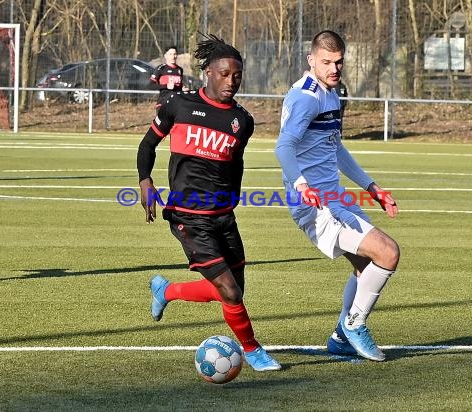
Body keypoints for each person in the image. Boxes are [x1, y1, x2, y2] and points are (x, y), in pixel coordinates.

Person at [137, 34, 281, 372]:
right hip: (189, 217)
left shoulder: (242, 121)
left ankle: (167, 291)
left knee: (233, 292)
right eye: (225, 73)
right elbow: (147, 146)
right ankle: (252, 349)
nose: (232, 81)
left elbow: (237, 162)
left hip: (223, 216)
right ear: (208, 73)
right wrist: (145, 180)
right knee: (229, 291)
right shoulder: (179, 105)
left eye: (237, 75)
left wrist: (235, 194)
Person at [275, 30, 400, 362]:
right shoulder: (307, 97)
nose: (334, 68)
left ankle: (341, 337)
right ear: (311, 59)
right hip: (316, 205)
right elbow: (283, 146)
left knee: (366, 265)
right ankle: (354, 324)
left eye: (339, 61)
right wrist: (302, 185)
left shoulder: (330, 94)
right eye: (327, 62)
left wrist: (371, 187)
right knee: (387, 253)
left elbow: (336, 148)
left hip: (335, 198)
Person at [149, 45, 188, 111]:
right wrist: (166, 86)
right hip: (163, 104)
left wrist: (182, 89)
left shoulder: (179, 70)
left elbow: (178, 86)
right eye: (170, 54)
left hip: (176, 104)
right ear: (165, 56)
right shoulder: (161, 68)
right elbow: (150, 85)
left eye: (175, 54)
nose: (173, 56)